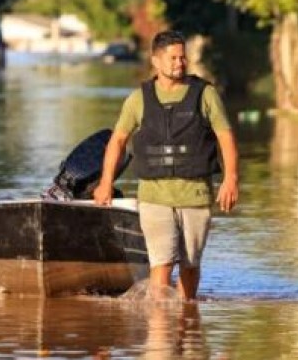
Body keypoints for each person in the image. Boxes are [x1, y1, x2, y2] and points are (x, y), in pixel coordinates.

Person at [92, 30, 238, 300]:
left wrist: (230, 179)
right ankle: (160, 332)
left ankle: (186, 319)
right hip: (153, 197)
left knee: (190, 265)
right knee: (161, 263)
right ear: (156, 61)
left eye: (183, 58)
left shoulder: (205, 95)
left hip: (195, 196)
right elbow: (118, 141)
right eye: (173, 58)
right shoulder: (138, 99)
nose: (180, 63)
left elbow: (225, 137)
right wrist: (105, 183)